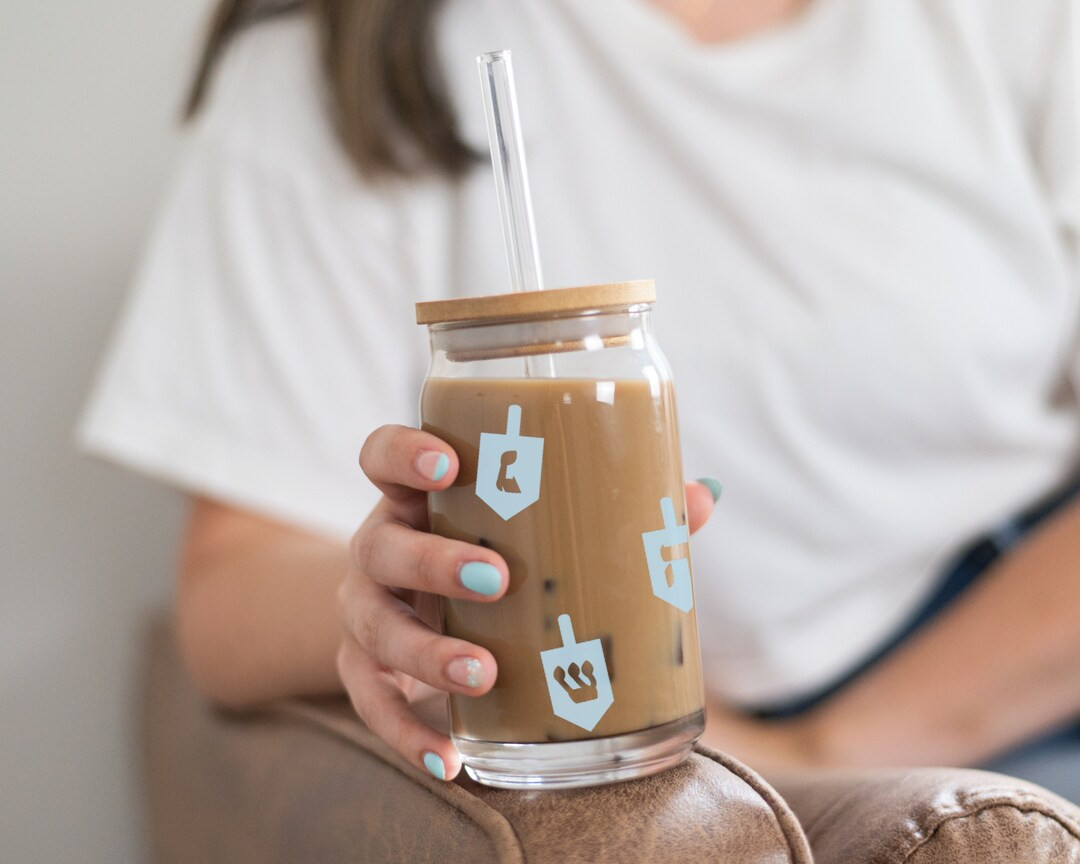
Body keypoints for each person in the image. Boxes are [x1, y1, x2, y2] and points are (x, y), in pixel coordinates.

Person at [80, 0, 1080, 799]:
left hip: (1028, 653)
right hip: (671, 715)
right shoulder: (343, 66)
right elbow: (233, 578)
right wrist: (397, 597)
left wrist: (829, 753)